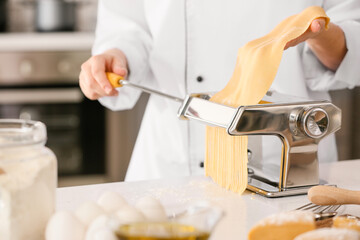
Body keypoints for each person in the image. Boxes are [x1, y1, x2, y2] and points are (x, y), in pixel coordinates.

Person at [79, 0, 360, 182]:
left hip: (287, 166)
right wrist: (117, 57)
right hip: (171, 166)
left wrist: (320, 35)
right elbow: (128, 27)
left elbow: (352, 45)